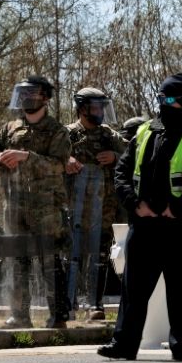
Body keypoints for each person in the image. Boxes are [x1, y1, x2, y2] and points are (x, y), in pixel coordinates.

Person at [97, 73, 182, 362]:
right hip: (144, 224)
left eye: (170, 100)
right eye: (161, 99)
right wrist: (133, 203)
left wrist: (178, 208)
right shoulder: (144, 131)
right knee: (133, 291)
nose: (164, 105)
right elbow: (122, 172)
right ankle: (124, 344)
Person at [0, 75, 73, 329]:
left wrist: (26, 156)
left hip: (46, 207)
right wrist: (0, 158)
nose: (27, 98)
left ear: (46, 98)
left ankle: (58, 316)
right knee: (17, 260)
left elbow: (59, 165)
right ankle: (20, 315)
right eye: (24, 93)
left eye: (33, 94)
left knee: (49, 259)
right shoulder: (9, 128)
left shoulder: (57, 131)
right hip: (14, 205)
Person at [65, 88, 125, 321]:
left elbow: (134, 154)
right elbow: (48, 159)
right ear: (82, 109)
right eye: (95, 107)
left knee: (99, 256)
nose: (100, 112)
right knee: (72, 256)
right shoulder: (67, 134)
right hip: (74, 208)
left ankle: (95, 305)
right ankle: (68, 304)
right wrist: (65, 159)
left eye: (102, 107)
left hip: (104, 208)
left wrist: (115, 157)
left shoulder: (108, 135)